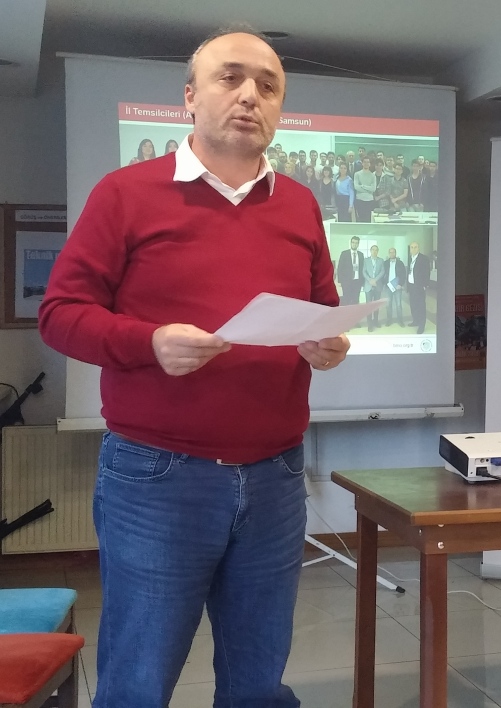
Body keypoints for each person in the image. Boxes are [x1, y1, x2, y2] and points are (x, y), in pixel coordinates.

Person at [38, 28, 349, 708]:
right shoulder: (124, 193)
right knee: (139, 681)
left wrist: (329, 344)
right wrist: (149, 341)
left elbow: (323, 310)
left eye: (268, 85)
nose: (250, 95)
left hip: (275, 475)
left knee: (258, 680)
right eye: (229, 78)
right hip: (158, 477)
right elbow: (59, 314)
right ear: (189, 96)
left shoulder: (300, 203)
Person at [406, 241, 430, 333]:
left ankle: (421, 325)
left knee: (421, 306)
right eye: (412, 247)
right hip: (411, 286)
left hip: (419, 286)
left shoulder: (423, 258)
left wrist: (425, 285)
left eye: (415, 247)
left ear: (418, 248)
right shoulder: (410, 258)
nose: (413, 249)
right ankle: (415, 321)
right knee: (413, 305)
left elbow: (427, 272)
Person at [337, 236, 364, 306]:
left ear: (358, 244)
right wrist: (339, 281)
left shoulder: (361, 255)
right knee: (347, 299)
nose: (354, 244)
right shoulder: (344, 253)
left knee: (356, 300)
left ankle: (355, 313)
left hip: (357, 281)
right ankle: (347, 313)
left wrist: (362, 282)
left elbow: (362, 268)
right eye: (353, 242)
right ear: (351, 243)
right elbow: (340, 267)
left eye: (356, 243)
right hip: (346, 281)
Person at [363, 245, 385, 331]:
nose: (374, 251)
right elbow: (363, 271)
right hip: (368, 285)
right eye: (373, 250)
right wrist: (370, 280)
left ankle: (375, 321)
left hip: (377, 285)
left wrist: (375, 280)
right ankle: (369, 324)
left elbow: (382, 271)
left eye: (376, 250)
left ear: (378, 251)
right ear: (370, 251)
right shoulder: (366, 260)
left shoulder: (381, 260)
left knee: (376, 305)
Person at [383, 247, 406, 326]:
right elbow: (383, 274)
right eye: (390, 252)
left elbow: (403, 274)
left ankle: (400, 320)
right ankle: (389, 320)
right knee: (388, 304)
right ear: (388, 253)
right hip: (388, 287)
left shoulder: (400, 263)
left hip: (397, 286)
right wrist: (384, 284)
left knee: (398, 305)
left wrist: (400, 284)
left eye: (393, 252)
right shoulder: (385, 263)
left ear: (395, 253)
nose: (392, 254)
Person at [353, 157, 377, 223]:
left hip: (369, 200)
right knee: (360, 220)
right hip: (359, 200)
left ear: (370, 164)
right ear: (362, 163)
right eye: (365, 162)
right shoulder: (357, 174)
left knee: (368, 220)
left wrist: (362, 186)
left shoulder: (373, 175)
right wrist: (368, 189)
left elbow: (373, 189)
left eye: (368, 162)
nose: (366, 163)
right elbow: (356, 187)